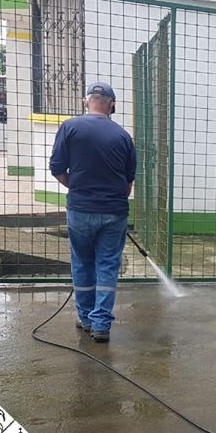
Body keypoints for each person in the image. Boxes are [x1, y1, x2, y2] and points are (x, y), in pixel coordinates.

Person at [50, 82, 137, 343]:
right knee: (108, 265)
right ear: (112, 105)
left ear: (86, 101)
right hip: (114, 211)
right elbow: (128, 183)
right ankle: (101, 325)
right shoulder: (123, 136)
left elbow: (57, 168)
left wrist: (76, 186)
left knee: (82, 262)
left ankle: (86, 318)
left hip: (80, 209)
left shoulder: (69, 127)